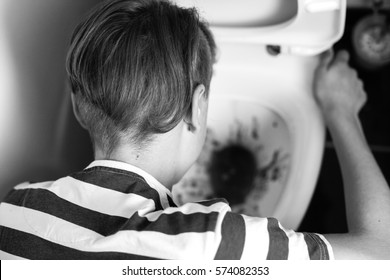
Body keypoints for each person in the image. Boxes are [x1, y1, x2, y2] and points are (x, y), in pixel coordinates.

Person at [0, 0, 389, 260]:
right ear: (197, 104)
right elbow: (381, 250)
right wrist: (342, 112)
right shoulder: (212, 239)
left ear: (79, 107)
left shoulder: (15, 209)